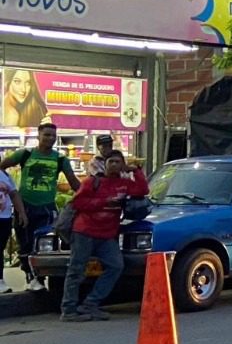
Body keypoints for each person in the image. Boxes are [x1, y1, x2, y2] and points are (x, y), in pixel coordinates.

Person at [60, 150, 149, 321]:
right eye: (111, 162)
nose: (114, 165)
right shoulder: (92, 182)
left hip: (107, 235)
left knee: (116, 266)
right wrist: (104, 202)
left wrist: (134, 171)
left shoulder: (125, 183)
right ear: (105, 164)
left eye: (118, 162)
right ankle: (69, 310)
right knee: (76, 270)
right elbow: (77, 202)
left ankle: (90, 304)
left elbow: (142, 190)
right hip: (84, 232)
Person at [1, 122, 81, 291]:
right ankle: (31, 278)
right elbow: (2, 167)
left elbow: (74, 183)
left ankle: (39, 278)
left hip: (47, 208)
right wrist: (6, 188)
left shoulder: (60, 159)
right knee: (25, 244)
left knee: (45, 245)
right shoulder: (24, 154)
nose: (50, 138)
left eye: (53, 135)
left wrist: (89, 195)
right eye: (46, 135)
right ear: (38, 136)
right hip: (25, 208)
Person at [0, 162, 16, 294]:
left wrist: (21, 213)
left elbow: (14, 194)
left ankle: (0, 280)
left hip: (4, 218)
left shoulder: (5, 176)